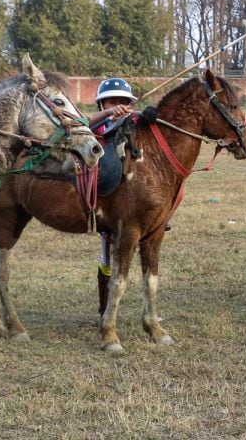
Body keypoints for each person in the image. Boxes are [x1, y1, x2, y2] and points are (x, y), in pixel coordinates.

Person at [89, 77, 136, 316]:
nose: (117, 105)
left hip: (132, 202)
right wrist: (109, 114)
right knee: (107, 257)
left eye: (122, 101)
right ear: (101, 104)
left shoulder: (132, 124)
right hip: (104, 202)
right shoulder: (96, 127)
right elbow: (85, 123)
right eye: (111, 101)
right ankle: (102, 308)